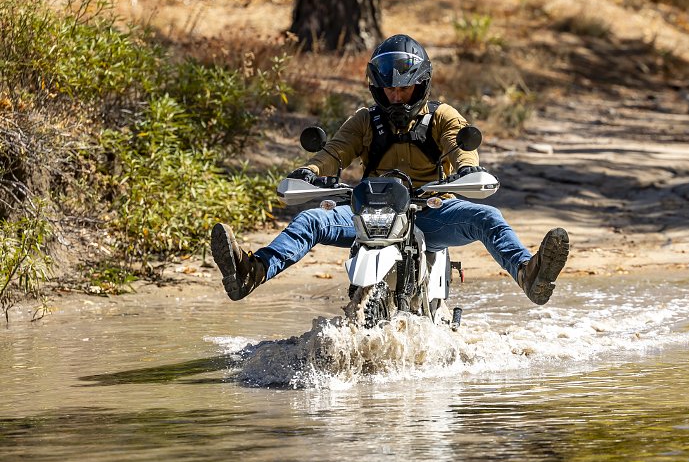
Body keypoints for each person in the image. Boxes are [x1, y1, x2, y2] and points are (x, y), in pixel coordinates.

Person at [211, 34, 569, 307]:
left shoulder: (442, 117)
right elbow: (335, 153)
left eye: (404, 88)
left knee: (488, 216)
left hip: (431, 211)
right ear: (377, 88)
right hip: (368, 212)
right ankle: (251, 272)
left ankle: (529, 273)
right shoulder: (364, 120)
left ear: (422, 83)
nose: (396, 96)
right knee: (310, 221)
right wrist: (309, 171)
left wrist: (465, 171)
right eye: (389, 89)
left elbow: (461, 149)